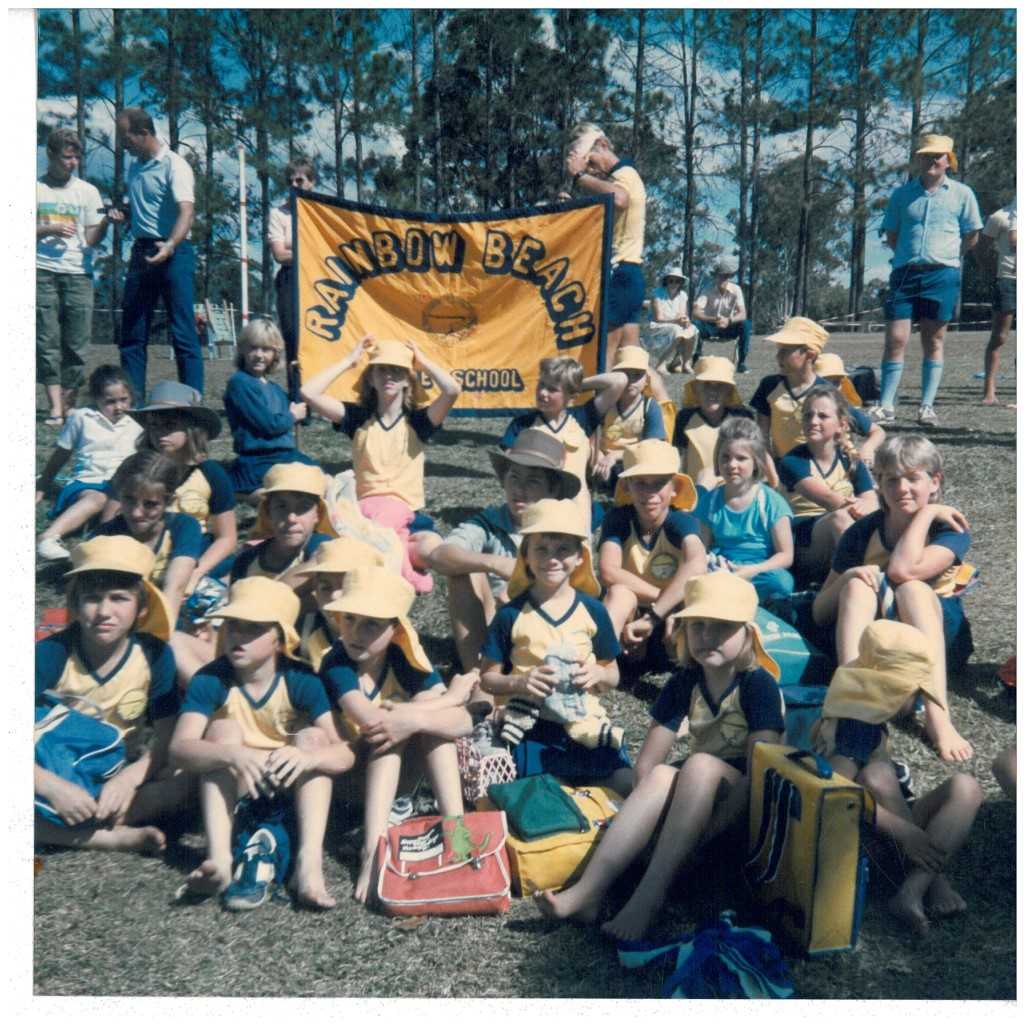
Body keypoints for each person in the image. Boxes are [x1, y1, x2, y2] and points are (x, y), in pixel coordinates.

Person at [535, 572, 784, 940]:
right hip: (698, 798)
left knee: (696, 765)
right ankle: (589, 893)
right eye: (697, 625)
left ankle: (648, 899)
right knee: (661, 775)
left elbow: (761, 774)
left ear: (747, 633)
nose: (706, 636)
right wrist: (656, 819)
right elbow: (648, 763)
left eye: (722, 627)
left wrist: (707, 833)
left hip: (749, 809)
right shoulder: (686, 680)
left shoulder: (757, 684)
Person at [170, 577, 353, 909]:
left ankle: (308, 864)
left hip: (290, 786)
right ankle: (220, 861)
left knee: (314, 738)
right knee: (222, 732)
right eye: (233, 626)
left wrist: (308, 759)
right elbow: (179, 748)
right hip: (238, 787)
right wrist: (232, 754)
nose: (238, 636)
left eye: (253, 629)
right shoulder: (211, 679)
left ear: (279, 639)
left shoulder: (301, 680)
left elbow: (345, 754)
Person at [812, 620, 982, 937]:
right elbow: (834, 794)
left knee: (966, 787)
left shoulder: (860, 706)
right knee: (878, 775)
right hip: (864, 841)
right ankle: (923, 887)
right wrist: (903, 831)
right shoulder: (856, 725)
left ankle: (917, 887)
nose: (917, 701)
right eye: (913, 692)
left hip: (881, 827)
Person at [811, 434, 974, 763]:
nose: (902, 489)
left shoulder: (949, 527)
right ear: (879, 484)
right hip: (883, 647)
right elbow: (819, 612)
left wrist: (927, 515)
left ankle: (937, 715)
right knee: (857, 584)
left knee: (913, 589)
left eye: (913, 478)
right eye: (892, 480)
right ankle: (853, 700)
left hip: (940, 641)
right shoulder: (862, 532)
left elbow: (902, 571)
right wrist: (848, 577)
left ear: (935, 481)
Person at [320, 566, 471, 903]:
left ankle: (456, 827)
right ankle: (372, 850)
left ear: (395, 630)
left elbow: (463, 723)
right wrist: (450, 698)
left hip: (391, 780)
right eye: (350, 619)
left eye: (371, 623)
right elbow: (372, 723)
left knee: (425, 716)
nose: (356, 632)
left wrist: (425, 714)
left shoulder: (403, 657)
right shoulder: (337, 663)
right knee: (393, 726)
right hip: (347, 778)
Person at [34, 536, 189, 854]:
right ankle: (107, 837)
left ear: (142, 607)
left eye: (119, 598)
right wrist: (50, 786)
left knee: (183, 784)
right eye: (92, 598)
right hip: (49, 764)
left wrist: (129, 779)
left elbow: (166, 737)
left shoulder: (154, 655)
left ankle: (68, 822)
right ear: (75, 605)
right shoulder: (53, 652)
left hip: (114, 773)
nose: (104, 611)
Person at [479, 499, 631, 793]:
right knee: (549, 796)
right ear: (525, 556)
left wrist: (598, 675)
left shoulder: (592, 610)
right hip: (532, 725)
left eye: (563, 549)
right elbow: (488, 678)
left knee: (626, 784)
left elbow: (613, 672)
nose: (552, 559)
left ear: (579, 557)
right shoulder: (511, 614)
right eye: (541, 549)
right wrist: (521, 682)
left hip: (583, 723)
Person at [300, 335, 460, 594]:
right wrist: (348, 361)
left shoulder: (419, 421)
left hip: (403, 512)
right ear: (370, 378)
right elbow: (308, 392)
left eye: (397, 371)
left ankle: (386, 567)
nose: (389, 376)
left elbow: (452, 390)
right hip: (362, 511)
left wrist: (423, 361)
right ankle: (397, 567)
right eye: (381, 370)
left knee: (421, 545)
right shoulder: (356, 417)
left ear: (408, 379)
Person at [427, 428, 580, 672]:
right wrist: (495, 563)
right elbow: (439, 557)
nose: (519, 489)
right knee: (463, 569)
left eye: (533, 481)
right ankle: (476, 674)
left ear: (553, 490)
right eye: (514, 478)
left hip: (548, 631)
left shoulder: (565, 528)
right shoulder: (491, 521)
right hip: (495, 626)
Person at [875, 134, 983, 426]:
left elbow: (971, 236)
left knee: (933, 340)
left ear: (949, 160)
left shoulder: (963, 194)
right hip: (905, 274)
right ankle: (885, 405)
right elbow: (893, 235)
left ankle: (926, 406)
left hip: (942, 275)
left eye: (939, 155)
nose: (932, 161)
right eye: (926, 155)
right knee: (896, 339)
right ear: (919, 160)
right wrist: (909, 258)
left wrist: (947, 257)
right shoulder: (901, 195)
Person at [115, 106, 204, 398]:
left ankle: (192, 407)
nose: (121, 143)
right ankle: (131, 406)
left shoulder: (175, 166)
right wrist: (125, 214)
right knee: (132, 333)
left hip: (175, 252)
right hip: (142, 252)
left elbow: (186, 212)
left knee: (183, 334)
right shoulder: (134, 166)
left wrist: (170, 245)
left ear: (142, 134)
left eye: (124, 136)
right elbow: (145, 209)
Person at [117, 380, 237, 589]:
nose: (160, 433)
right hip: (143, 553)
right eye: (153, 426)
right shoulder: (137, 469)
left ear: (191, 429)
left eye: (170, 426)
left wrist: (198, 571)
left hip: (196, 554)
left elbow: (226, 537)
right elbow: (112, 517)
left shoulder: (211, 474)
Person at [599, 440, 706, 673]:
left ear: (675, 487)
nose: (650, 493)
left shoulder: (681, 522)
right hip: (636, 617)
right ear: (626, 486)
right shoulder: (618, 519)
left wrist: (656, 616)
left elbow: (697, 563)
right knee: (618, 593)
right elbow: (608, 571)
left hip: (668, 623)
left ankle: (691, 674)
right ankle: (600, 666)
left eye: (659, 484)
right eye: (640, 484)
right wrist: (666, 602)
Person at [37, 128, 120, 425]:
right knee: (47, 340)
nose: (72, 163)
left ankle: (70, 404)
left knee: (77, 342)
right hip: (41, 270)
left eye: (76, 158)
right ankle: (55, 407)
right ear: (50, 155)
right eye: (66, 157)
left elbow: (91, 238)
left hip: (78, 272)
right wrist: (49, 229)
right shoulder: (34, 188)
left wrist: (107, 223)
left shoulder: (87, 191)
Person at [499, 355, 627, 534]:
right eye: (541, 384)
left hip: (577, 501)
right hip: (537, 501)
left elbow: (619, 381)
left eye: (552, 389)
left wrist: (576, 385)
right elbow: (510, 467)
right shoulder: (522, 424)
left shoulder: (583, 417)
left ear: (572, 397)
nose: (543, 393)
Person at [36, 365, 140, 562]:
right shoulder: (81, 417)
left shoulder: (138, 421)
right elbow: (61, 454)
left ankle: (102, 545)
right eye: (110, 401)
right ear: (95, 398)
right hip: (87, 483)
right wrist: (43, 484)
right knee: (99, 498)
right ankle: (48, 537)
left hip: (122, 487)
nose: (118, 407)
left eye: (123, 400)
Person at [565, 123, 646, 370]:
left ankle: (598, 408)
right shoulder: (621, 178)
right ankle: (655, 406)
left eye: (590, 161)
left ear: (603, 145)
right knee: (631, 357)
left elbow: (619, 198)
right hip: (630, 274)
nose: (589, 168)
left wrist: (580, 176)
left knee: (606, 358)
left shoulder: (624, 176)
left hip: (620, 271)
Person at [777, 385, 878, 582]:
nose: (813, 421)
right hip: (803, 542)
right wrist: (860, 506)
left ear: (841, 424)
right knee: (839, 519)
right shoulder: (792, 461)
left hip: (848, 526)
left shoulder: (850, 460)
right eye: (808, 415)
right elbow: (831, 501)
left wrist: (867, 506)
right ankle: (866, 582)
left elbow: (871, 501)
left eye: (823, 416)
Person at [92, 451, 203, 626]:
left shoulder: (184, 527)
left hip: (171, 611)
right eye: (129, 500)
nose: (137, 513)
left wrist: (161, 639)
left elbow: (175, 587)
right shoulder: (105, 536)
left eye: (150, 504)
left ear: (169, 501)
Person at [695, 418, 795, 603]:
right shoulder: (709, 503)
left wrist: (750, 571)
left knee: (780, 582)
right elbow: (700, 549)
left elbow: (786, 555)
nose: (732, 465)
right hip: (723, 569)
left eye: (741, 458)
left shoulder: (771, 502)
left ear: (756, 462)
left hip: (760, 570)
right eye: (725, 457)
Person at [223, 318, 315, 499]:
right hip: (258, 459)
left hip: (285, 455)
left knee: (320, 477)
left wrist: (300, 396)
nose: (259, 355)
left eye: (265, 349)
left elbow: (301, 417)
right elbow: (269, 425)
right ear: (242, 349)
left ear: (275, 354)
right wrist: (292, 415)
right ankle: (252, 494)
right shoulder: (240, 384)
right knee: (293, 491)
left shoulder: (274, 389)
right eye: (253, 348)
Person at [292, 536, 384, 672]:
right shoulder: (303, 631)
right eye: (325, 587)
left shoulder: (391, 638)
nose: (334, 596)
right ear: (315, 590)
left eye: (346, 585)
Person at [267, 157, 317, 402]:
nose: (295, 184)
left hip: (319, 281)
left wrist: (295, 252)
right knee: (294, 339)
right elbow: (279, 254)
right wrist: (309, 253)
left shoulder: (323, 213)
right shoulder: (278, 214)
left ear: (311, 183)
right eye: (290, 181)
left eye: (300, 180)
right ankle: (298, 398)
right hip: (289, 281)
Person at [750, 315, 829, 460]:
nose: (778, 356)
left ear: (810, 354)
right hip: (779, 470)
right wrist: (772, 473)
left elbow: (874, 431)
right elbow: (762, 438)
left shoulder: (828, 393)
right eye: (779, 349)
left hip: (817, 470)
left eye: (786, 350)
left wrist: (867, 449)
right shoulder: (769, 386)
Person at [592, 346, 667, 492]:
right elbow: (591, 434)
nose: (631, 381)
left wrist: (615, 456)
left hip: (635, 458)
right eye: (625, 375)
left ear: (646, 380)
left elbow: (652, 445)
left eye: (637, 375)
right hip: (604, 458)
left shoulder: (649, 406)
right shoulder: (606, 403)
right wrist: (598, 456)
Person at [671, 356, 755, 486]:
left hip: (735, 491)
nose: (712, 392)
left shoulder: (743, 417)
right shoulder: (685, 418)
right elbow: (679, 457)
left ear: (729, 391)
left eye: (720, 386)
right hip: (698, 493)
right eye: (706, 385)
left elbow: (754, 456)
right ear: (695, 389)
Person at [813, 352, 886, 468]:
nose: (830, 387)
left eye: (836, 382)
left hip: (842, 466)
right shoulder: (801, 409)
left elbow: (878, 432)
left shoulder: (842, 408)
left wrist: (868, 449)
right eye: (824, 382)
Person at [980, 198, 1016, 406]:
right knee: (999, 337)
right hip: (1007, 281)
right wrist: (990, 271)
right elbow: (981, 247)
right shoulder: (999, 217)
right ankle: (989, 391)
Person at [691, 257, 753, 373]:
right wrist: (713, 319)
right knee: (695, 325)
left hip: (729, 326)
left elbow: (743, 314)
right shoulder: (707, 289)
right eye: (720, 275)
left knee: (745, 324)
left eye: (726, 276)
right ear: (715, 276)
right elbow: (696, 312)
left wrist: (729, 320)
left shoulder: (736, 290)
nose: (722, 278)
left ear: (730, 276)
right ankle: (696, 357)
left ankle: (742, 362)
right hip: (710, 325)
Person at [648, 266, 698, 373]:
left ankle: (685, 364)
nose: (674, 283)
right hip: (657, 326)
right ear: (666, 281)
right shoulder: (657, 293)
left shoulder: (683, 295)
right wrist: (676, 321)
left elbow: (682, 314)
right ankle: (661, 363)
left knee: (693, 329)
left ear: (681, 283)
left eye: (677, 281)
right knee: (677, 330)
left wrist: (686, 321)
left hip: (675, 324)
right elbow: (658, 318)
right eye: (671, 280)